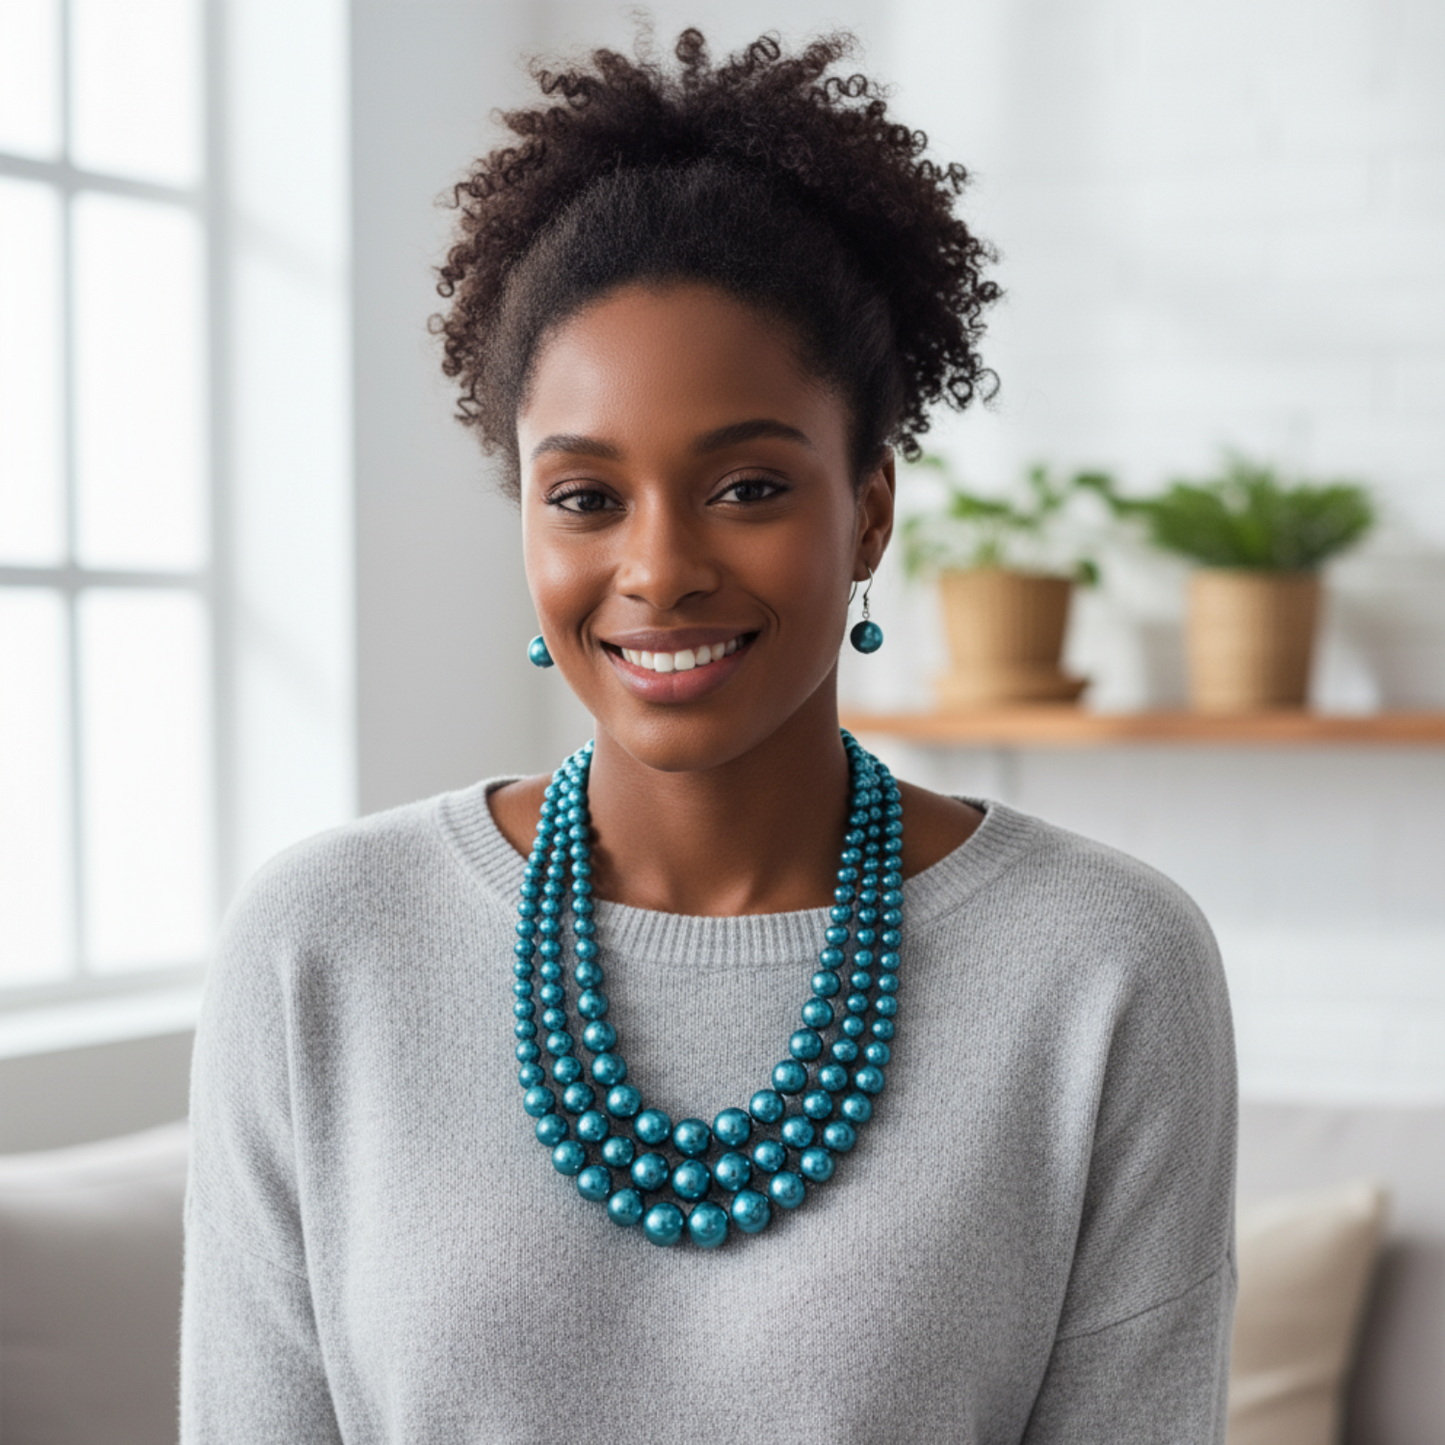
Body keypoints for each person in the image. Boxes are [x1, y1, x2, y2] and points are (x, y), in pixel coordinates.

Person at [181, 30, 1236, 1443]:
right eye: (585, 497)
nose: (659, 567)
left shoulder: (1106, 968)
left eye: (746, 485)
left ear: (868, 510)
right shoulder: (321, 948)